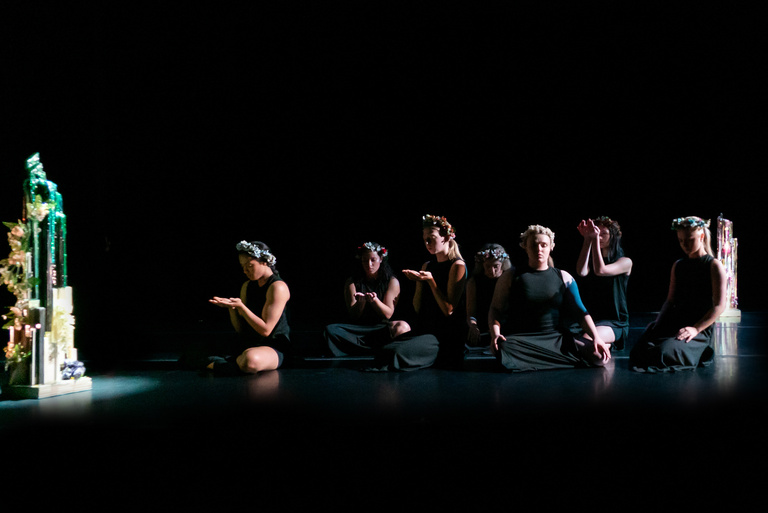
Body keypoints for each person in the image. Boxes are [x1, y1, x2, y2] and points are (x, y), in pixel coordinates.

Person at [489, 225, 611, 372]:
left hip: (555, 339)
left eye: (543, 245)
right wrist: (495, 334)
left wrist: (596, 337)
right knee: (502, 349)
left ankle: (540, 361)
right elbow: (496, 309)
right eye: (534, 245)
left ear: (551, 247)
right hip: (523, 340)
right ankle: (556, 361)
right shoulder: (510, 276)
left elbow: (580, 312)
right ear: (525, 247)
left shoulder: (563, 277)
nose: (539, 249)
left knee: (598, 358)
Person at [629, 216, 726, 372]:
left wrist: (695, 328)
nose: (684, 245)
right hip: (676, 322)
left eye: (689, 240)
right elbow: (670, 300)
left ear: (701, 236)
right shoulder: (679, 265)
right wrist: (658, 322)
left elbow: (719, 306)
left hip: (698, 327)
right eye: (681, 241)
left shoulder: (713, 265)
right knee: (639, 351)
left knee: (664, 353)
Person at [207, 240, 291, 374]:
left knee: (250, 359)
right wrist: (232, 308)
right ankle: (228, 365)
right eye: (242, 266)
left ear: (264, 261)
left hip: (273, 347)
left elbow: (266, 330)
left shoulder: (277, 287)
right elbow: (241, 330)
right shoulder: (247, 286)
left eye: (250, 265)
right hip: (250, 344)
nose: (245, 270)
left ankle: (221, 366)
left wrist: (241, 307)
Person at [401, 214, 468, 369]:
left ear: (445, 237)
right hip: (426, 328)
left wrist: (431, 282)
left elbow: (448, 310)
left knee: (399, 352)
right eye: (425, 238)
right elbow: (417, 308)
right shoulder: (427, 266)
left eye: (431, 237)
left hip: (447, 334)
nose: (427, 242)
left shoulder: (457, 265)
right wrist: (419, 282)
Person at [324, 242, 401, 356]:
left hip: (379, 328)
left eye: (373, 260)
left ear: (380, 259)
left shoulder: (391, 281)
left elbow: (388, 314)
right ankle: (373, 350)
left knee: (401, 327)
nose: (369, 264)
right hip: (358, 329)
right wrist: (361, 302)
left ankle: (361, 350)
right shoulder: (352, 282)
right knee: (331, 329)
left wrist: (374, 301)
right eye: (365, 260)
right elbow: (353, 315)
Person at [575, 217, 633, 350]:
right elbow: (581, 272)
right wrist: (587, 239)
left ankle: (606, 346)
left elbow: (601, 270)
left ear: (613, 236)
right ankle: (606, 346)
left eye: (603, 234)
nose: (599, 237)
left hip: (614, 323)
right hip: (591, 320)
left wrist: (594, 238)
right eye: (597, 233)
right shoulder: (592, 261)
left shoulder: (625, 262)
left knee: (585, 342)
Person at [466, 243, 512, 350]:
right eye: (488, 266)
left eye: (496, 266)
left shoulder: (509, 280)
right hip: (482, 329)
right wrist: (473, 325)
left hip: (505, 329)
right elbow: (471, 313)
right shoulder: (474, 282)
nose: (492, 271)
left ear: (503, 264)